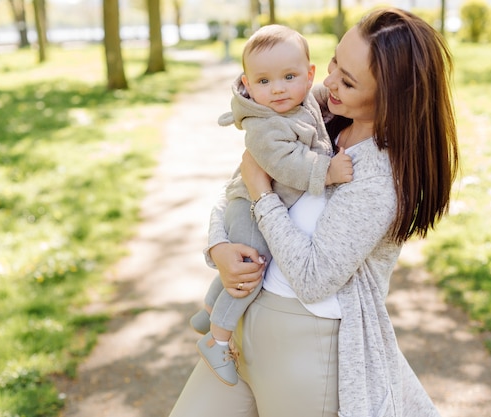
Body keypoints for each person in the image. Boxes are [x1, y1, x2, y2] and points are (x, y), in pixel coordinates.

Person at [170, 7, 459, 417]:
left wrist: (262, 196)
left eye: (347, 80)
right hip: (241, 328)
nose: (327, 82)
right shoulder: (320, 115)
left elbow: (313, 278)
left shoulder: (378, 176)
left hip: (305, 351)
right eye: (335, 62)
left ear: (392, 96)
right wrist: (218, 245)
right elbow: (238, 186)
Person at [189, 24, 354, 386]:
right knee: (250, 272)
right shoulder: (265, 125)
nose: (278, 88)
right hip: (248, 206)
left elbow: (322, 100)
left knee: (241, 266)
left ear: (310, 75)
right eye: (263, 81)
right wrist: (327, 171)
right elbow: (287, 164)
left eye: (289, 76)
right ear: (247, 84)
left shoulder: (303, 98)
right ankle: (217, 339)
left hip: (251, 199)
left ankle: (208, 310)